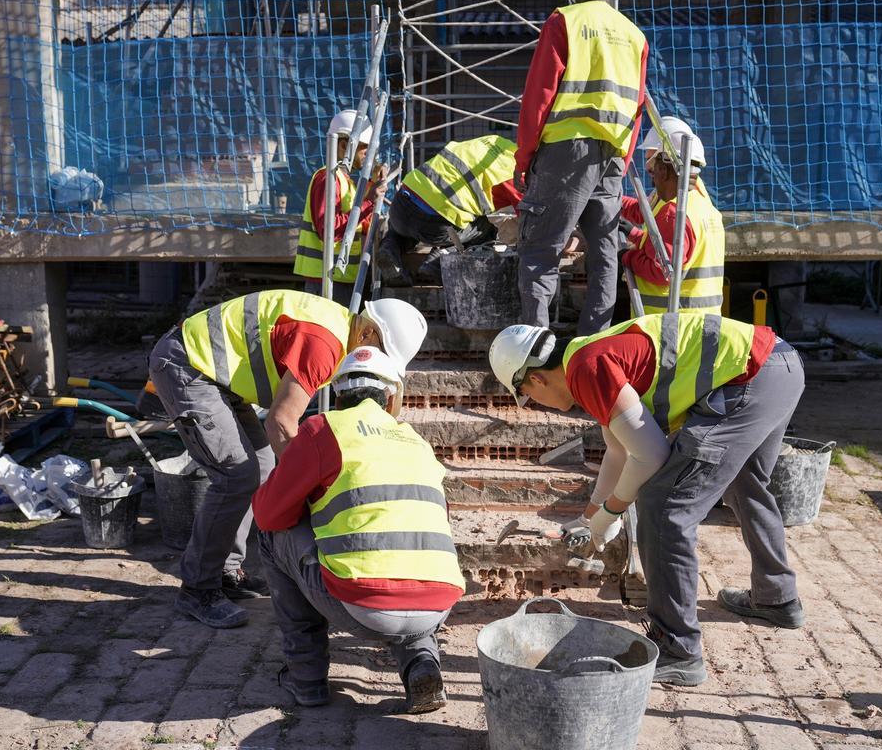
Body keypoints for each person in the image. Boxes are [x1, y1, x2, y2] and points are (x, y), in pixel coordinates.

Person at [489, 312, 806, 687]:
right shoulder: (585, 355)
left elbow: (650, 456)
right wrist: (589, 516)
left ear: (536, 378)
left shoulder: (588, 370)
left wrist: (612, 513)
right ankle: (776, 598)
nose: (534, 403)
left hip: (750, 377)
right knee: (745, 483)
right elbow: (620, 451)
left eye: (527, 397)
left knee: (665, 507)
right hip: (779, 365)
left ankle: (678, 648)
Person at [148, 290, 428, 630]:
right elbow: (281, 421)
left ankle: (225, 570)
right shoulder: (324, 345)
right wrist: (308, 487)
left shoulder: (339, 332)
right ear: (367, 332)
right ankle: (197, 588)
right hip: (187, 366)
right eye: (380, 351)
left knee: (263, 467)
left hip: (214, 374)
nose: (373, 362)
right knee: (236, 475)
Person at [253, 346, 463, 713]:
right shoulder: (417, 441)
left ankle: (307, 677)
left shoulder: (322, 429)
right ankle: (422, 663)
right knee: (406, 550)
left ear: (336, 393)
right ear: (392, 396)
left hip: (364, 605)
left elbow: (270, 513)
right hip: (437, 602)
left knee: (272, 537)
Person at [513, 0, 649, 334]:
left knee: (541, 250)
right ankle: (591, 346)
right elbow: (637, 105)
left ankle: (533, 351)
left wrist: (524, 156)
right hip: (614, 154)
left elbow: (538, 96)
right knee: (604, 255)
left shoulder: (565, 20)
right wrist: (624, 155)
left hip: (565, 152)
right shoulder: (635, 35)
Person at [378, 134, 522, 286]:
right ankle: (438, 261)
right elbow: (528, 217)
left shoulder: (494, 141)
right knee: (488, 228)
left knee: (407, 223)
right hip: (434, 226)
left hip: (400, 206)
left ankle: (389, 249)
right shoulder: (516, 170)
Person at [620, 117, 725, 315]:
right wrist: (632, 231)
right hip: (702, 325)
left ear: (664, 169)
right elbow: (648, 216)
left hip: (671, 327)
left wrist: (626, 257)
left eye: (652, 172)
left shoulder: (674, 215)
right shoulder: (700, 201)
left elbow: (661, 271)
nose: (651, 180)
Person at [294, 109, 387, 304]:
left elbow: (360, 225)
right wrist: (369, 201)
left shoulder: (346, 182)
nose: (368, 156)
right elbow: (330, 230)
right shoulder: (328, 179)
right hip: (326, 282)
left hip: (339, 278)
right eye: (365, 149)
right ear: (344, 145)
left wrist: (372, 185)